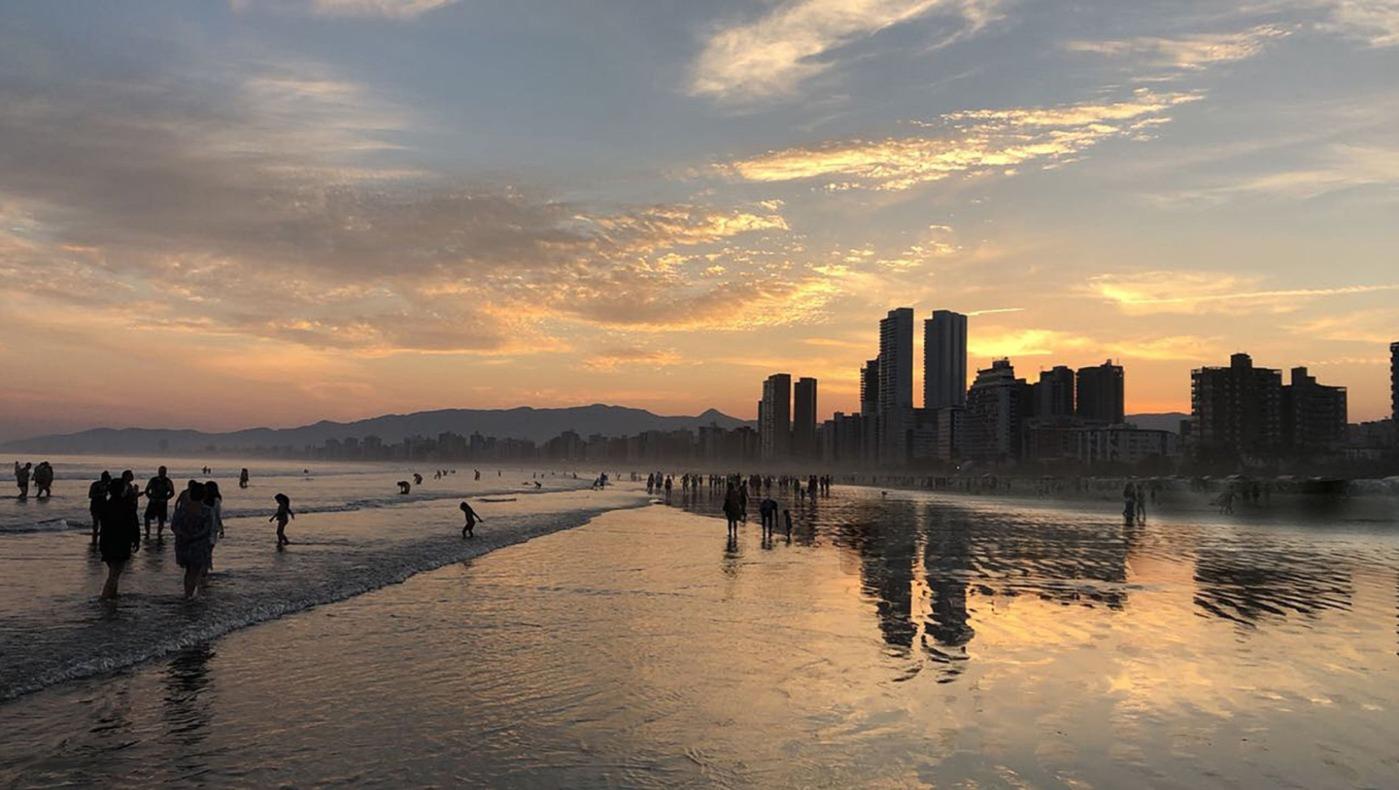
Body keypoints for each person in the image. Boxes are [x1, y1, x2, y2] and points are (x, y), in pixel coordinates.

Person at [98, 478, 140, 600]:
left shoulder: (106, 504)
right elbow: (134, 524)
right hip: (121, 542)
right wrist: (136, 540)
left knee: (113, 571)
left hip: (106, 541)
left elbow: (103, 522)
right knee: (115, 574)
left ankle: (112, 597)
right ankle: (104, 599)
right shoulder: (127, 505)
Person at [172, 481, 213, 600]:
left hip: (182, 544)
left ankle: (187, 594)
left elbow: (174, 526)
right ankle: (189, 595)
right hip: (198, 545)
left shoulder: (182, 509)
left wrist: (183, 535)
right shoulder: (207, 510)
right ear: (204, 495)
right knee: (194, 571)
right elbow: (207, 529)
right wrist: (194, 537)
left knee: (188, 571)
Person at [144, 466, 176, 541]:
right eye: (160, 471)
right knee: (147, 518)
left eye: (163, 471)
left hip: (162, 503)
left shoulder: (168, 481)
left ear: (165, 472)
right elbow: (147, 490)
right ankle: (147, 532)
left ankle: (159, 533)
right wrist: (150, 497)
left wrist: (165, 499)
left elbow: (172, 492)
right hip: (153, 501)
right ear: (158, 471)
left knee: (161, 519)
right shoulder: (153, 480)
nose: (162, 473)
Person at [88, 471, 111, 547]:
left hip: (103, 505)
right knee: (96, 523)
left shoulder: (108, 486)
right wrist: (101, 494)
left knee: (104, 523)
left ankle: (99, 538)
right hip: (96, 505)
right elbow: (90, 495)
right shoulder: (96, 484)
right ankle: (95, 538)